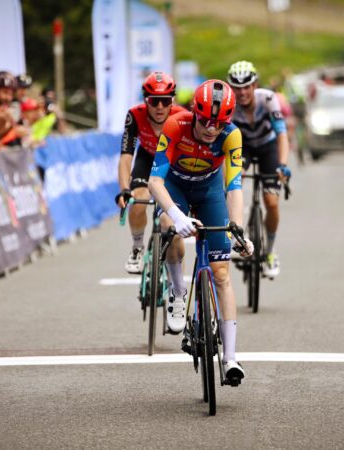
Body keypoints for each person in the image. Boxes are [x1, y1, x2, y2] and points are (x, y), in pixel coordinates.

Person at [148, 79, 253, 381]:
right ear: (195, 113)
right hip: (175, 187)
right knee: (168, 226)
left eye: (218, 124)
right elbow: (155, 182)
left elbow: (234, 187)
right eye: (205, 120)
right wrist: (176, 215)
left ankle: (230, 358)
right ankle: (178, 291)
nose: (211, 129)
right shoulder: (175, 125)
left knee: (221, 274)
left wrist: (238, 230)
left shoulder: (231, 135)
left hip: (209, 191)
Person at [115, 71, 185, 274]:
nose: (160, 107)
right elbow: (126, 156)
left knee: (171, 222)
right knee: (137, 200)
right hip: (146, 158)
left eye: (165, 100)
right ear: (146, 100)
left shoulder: (182, 116)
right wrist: (124, 189)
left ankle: (175, 275)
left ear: (172, 100)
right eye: (154, 101)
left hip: (172, 161)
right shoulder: (135, 115)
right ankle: (137, 247)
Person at [227, 61, 290, 279]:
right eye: (237, 87)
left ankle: (270, 252)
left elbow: (281, 134)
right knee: (232, 183)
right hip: (243, 147)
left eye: (247, 86)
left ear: (255, 85)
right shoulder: (230, 104)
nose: (242, 92)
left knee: (271, 202)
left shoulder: (268, 99)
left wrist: (283, 165)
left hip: (267, 147)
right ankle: (238, 235)